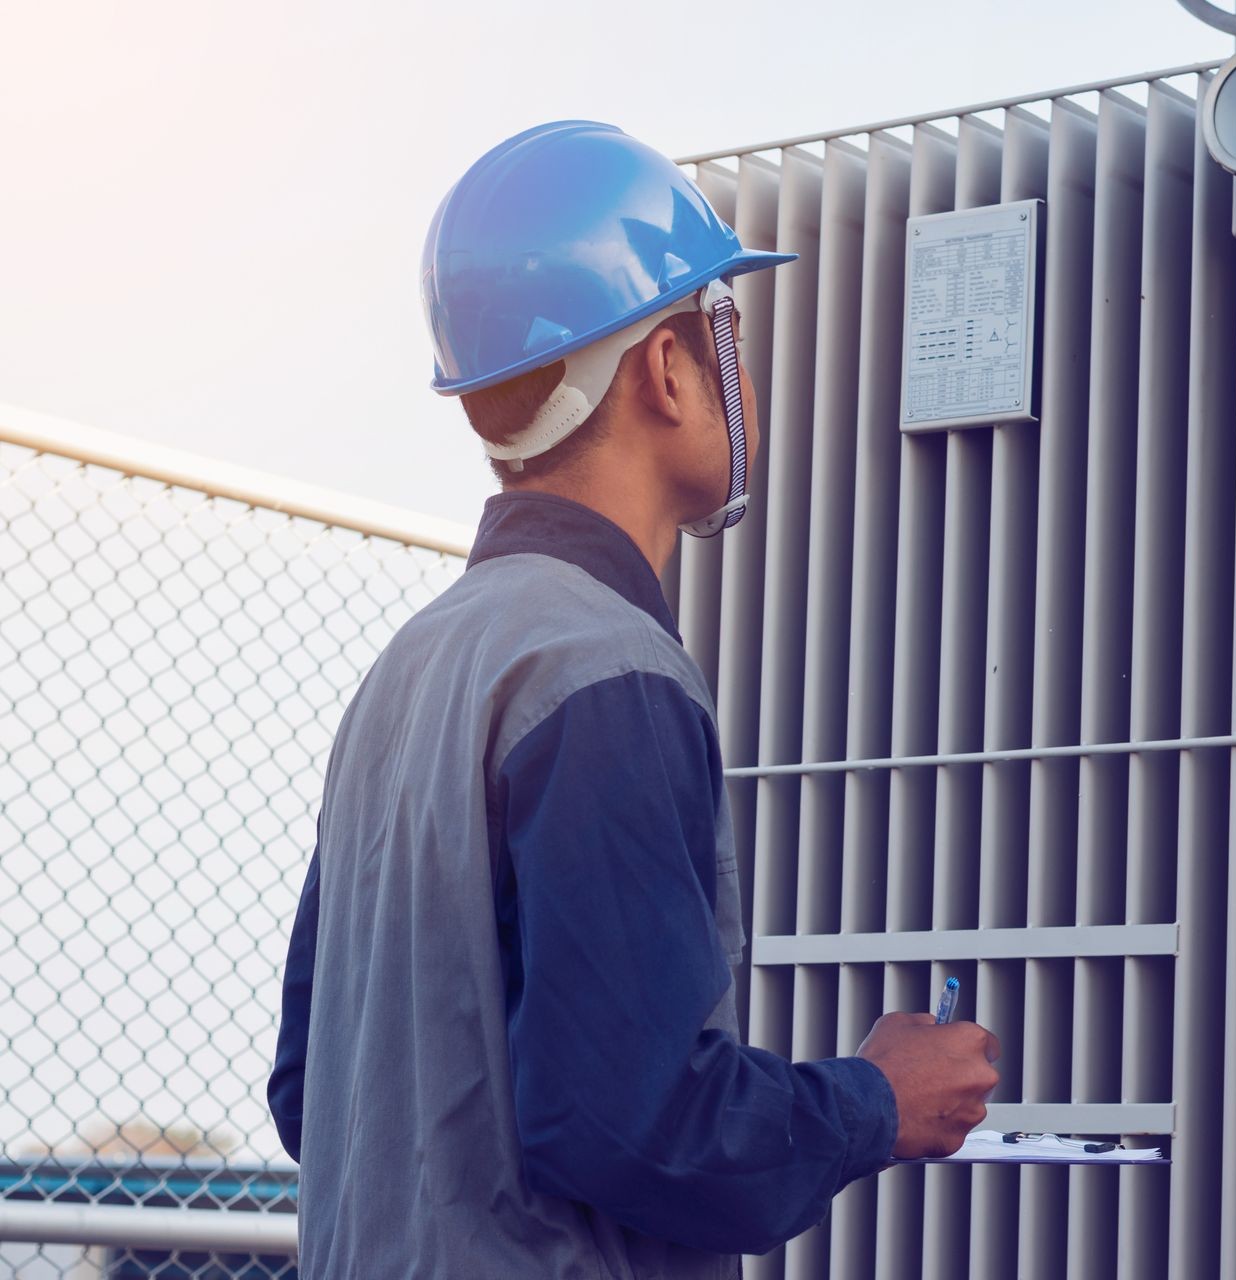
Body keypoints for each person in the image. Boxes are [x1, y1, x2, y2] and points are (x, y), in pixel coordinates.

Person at [266, 120, 1000, 1278]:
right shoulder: (605, 669)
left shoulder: (409, 670)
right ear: (668, 367)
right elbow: (631, 1117)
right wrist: (875, 1098)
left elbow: (315, 1086)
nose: (746, 379)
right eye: (730, 333)